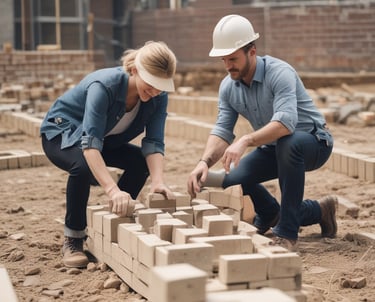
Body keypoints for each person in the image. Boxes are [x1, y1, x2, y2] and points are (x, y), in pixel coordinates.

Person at [187, 15, 337, 251]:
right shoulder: (228, 86)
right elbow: (222, 131)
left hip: (314, 142)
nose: (228, 66)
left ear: (252, 51)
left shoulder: (280, 73)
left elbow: (286, 124)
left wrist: (247, 139)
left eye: (233, 59)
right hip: (276, 146)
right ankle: (300, 212)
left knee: (291, 143)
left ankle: (287, 233)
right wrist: (203, 162)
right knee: (233, 179)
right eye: (224, 60)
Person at [40, 41, 177, 267]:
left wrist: (158, 181)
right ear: (135, 70)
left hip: (105, 139)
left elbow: (153, 142)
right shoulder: (103, 86)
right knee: (83, 167)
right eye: (151, 84)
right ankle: (73, 239)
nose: (155, 92)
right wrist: (112, 190)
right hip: (62, 133)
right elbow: (90, 145)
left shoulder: (158, 97)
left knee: (140, 164)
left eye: (161, 86)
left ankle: (115, 220)